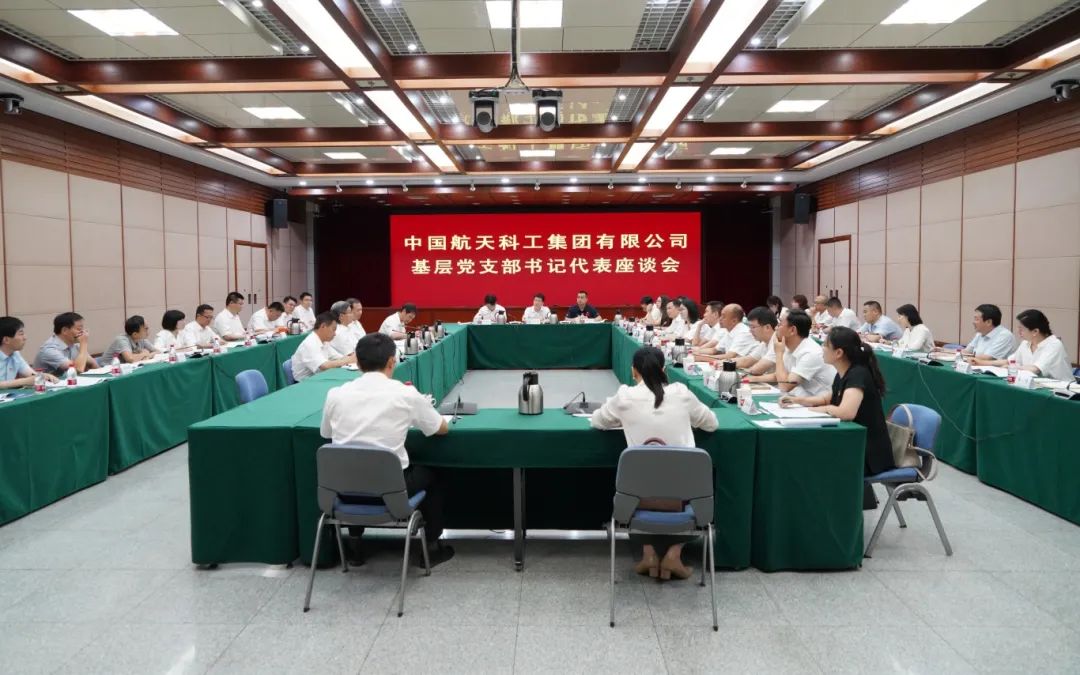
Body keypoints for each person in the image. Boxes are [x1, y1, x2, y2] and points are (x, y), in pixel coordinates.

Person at [320, 332, 454, 565]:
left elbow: (326, 434)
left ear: (357, 362)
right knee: (434, 473)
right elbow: (440, 429)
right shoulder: (405, 394)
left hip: (343, 490)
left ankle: (355, 543)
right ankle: (431, 547)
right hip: (392, 491)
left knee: (354, 467)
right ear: (392, 361)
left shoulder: (336, 394)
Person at [591, 345, 718, 580]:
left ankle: (648, 554)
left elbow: (597, 421)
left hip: (638, 497)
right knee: (688, 483)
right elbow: (711, 424)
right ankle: (674, 555)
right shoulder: (681, 393)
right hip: (684, 495)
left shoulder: (624, 396)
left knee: (638, 483)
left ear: (633, 371)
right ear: (664, 370)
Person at [780, 326, 895, 508]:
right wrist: (799, 401)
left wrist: (817, 410)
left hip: (868, 453)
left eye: (826, 345)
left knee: (812, 460)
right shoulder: (844, 373)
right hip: (851, 442)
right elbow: (830, 397)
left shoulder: (858, 374)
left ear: (839, 353)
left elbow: (846, 412)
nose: (822, 348)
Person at [747, 310, 835, 397]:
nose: (776, 328)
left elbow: (785, 385)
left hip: (820, 402)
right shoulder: (789, 346)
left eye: (780, 324)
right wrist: (750, 379)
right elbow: (779, 375)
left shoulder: (810, 353)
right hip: (801, 397)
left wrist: (779, 354)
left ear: (792, 330)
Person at [973, 309, 1073, 382]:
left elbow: (1035, 369)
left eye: (1022, 329)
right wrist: (981, 362)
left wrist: (1010, 368)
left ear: (1035, 331)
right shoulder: (1026, 343)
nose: (1018, 332)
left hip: (1063, 390)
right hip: (1035, 385)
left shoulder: (1054, 344)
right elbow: (1009, 361)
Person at [291, 311, 355, 382]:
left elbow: (338, 357)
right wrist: (348, 360)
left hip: (318, 377)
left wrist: (353, 358)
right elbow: (324, 366)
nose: (335, 334)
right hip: (303, 383)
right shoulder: (309, 343)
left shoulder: (324, 341)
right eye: (333, 330)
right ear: (323, 326)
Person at [34, 312, 99, 376]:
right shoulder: (49, 349)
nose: (83, 333)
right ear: (64, 330)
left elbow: (95, 366)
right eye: (79, 329)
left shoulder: (75, 345)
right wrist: (84, 343)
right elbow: (77, 370)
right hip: (47, 382)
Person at [1, 316, 56, 387]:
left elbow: (29, 373)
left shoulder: (15, 354)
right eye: (21, 334)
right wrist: (24, 381)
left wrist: (42, 376)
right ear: (6, 340)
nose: (25, 338)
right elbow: (26, 380)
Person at [741, 306, 779, 371]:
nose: (750, 331)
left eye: (753, 327)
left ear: (767, 327)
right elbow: (747, 360)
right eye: (750, 327)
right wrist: (724, 362)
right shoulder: (764, 342)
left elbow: (757, 369)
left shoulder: (777, 341)